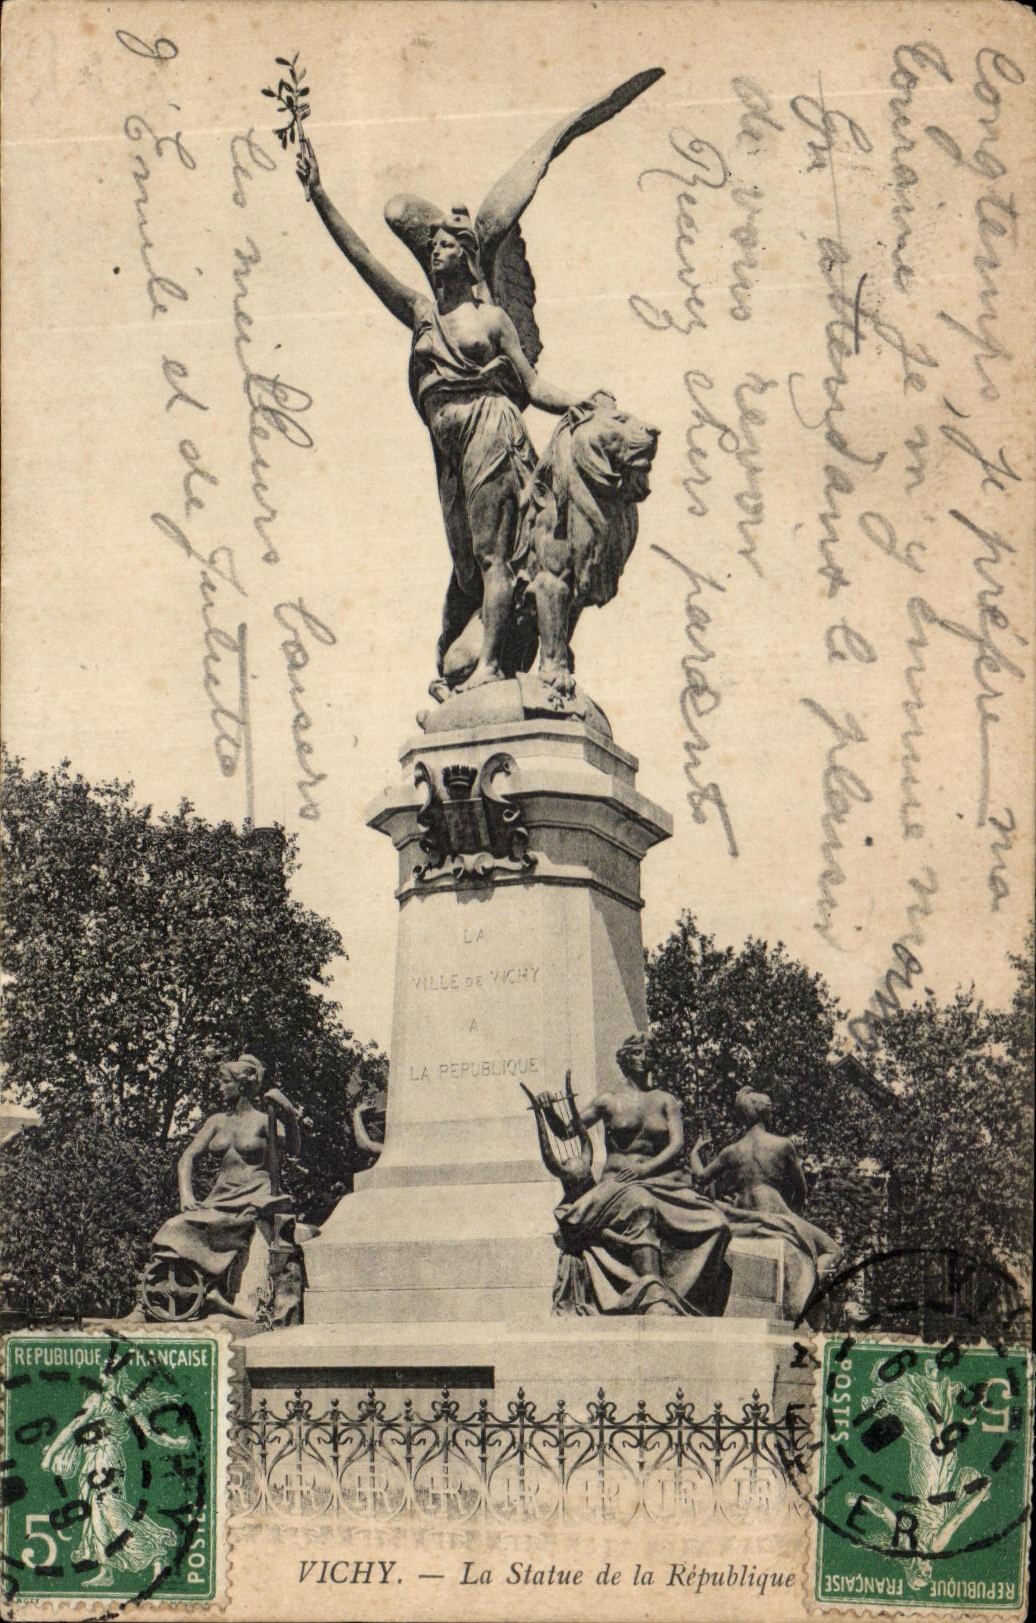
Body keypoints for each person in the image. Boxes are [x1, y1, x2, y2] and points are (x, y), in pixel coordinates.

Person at [295, 139, 599, 692]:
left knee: (491, 556)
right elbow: (366, 262)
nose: (435, 253)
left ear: (466, 253)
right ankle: (474, 659)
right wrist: (320, 197)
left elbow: (531, 385)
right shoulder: (421, 314)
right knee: (467, 567)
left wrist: (577, 401)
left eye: (444, 246)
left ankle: (489, 668)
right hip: (450, 452)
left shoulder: (493, 322)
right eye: (431, 246)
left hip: (492, 431)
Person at [531, 1033, 731, 1316]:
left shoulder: (665, 1101)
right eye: (638, 1052)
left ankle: (689, 1298)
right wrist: (548, 1109)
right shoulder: (607, 1101)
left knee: (717, 1223)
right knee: (643, 1206)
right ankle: (653, 1294)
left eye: (648, 1052)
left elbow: (677, 1146)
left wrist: (644, 1169)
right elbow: (567, 1131)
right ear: (625, 1059)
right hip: (619, 1184)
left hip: (659, 1181)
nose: (645, 1057)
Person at [149, 1054, 301, 1315]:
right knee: (173, 1226)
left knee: (185, 1228)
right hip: (218, 1200)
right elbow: (187, 1157)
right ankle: (152, 1302)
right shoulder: (216, 1121)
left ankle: (219, 1297)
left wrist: (288, 1114)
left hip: (253, 1198)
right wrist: (186, 1193)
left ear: (241, 1085)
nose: (219, 1087)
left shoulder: (265, 1121)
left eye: (224, 1081)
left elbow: (295, 1149)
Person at [690, 1086, 842, 1318]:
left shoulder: (731, 1151)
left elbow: (700, 1178)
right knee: (834, 1249)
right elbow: (801, 1189)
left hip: (741, 1215)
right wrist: (795, 1213)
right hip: (777, 1214)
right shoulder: (782, 1145)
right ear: (766, 1113)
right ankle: (812, 1287)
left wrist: (694, 1153)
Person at [40, 1364, 190, 1588]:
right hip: (90, 1462)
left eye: (110, 1375)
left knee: (105, 1509)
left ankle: (151, 1544)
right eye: (104, 1375)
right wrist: (51, 1454)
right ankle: (110, 1567)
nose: (105, 1379)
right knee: (94, 1514)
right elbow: (73, 1427)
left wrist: (175, 1443)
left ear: (118, 1377)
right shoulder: (96, 1400)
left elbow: (150, 1432)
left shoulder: (126, 1403)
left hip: (108, 1460)